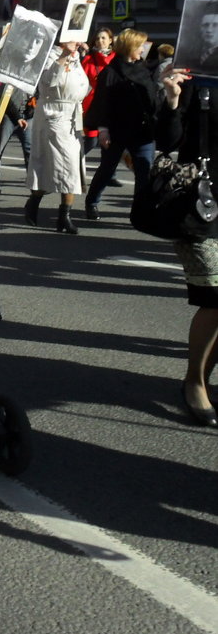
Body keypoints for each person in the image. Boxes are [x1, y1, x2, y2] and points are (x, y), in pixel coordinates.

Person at [156, 67, 218, 426]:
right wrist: (172, 98)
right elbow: (170, 139)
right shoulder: (200, 77)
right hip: (203, 203)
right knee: (214, 297)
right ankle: (195, 380)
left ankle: (203, 377)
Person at [83, 28, 157, 220]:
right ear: (130, 46)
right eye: (140, 45)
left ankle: (140, 210)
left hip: (142, 130)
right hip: (116, 129)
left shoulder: (143, 69)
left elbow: (151, 99)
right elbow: (102, 101)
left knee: (144, 171)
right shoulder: (111, 71)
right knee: (107, 169)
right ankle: (92, 202)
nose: (143, 49)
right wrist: (103, 129)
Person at [23, 42, 89, 234]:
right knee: (55, 164)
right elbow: (48, 81)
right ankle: (34, 201)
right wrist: (62, 58)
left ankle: (64, 216)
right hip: (54, 114)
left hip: (72, 117)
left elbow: (83, 85)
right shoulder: (49, 55)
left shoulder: (76, 58)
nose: (76, 44)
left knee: (72, 167)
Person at [80, 28, 116, 156]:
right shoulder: (89, 59)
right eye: (97, 38)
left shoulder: (116, 59)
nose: (100, 41)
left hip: (113, 103)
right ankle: (74, 162)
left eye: (103, 38)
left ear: (110, 40)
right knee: (92, 139)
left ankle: (110, 175)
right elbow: (80, 82)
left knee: (111, 143)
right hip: (94, 104)